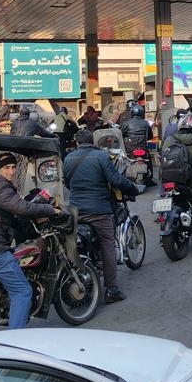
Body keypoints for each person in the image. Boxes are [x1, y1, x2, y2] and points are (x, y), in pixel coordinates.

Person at [0, 152, 62, 329]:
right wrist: (49, 210)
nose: (12, 171)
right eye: (7, 167)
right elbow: (20, 207)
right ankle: (15, 339)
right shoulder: (0, 187)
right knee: (22, 291)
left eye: (14, 167)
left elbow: (9, 212)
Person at [64, 129, 140, 304]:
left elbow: (67, 182)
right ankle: (112, 289)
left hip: (75, 211)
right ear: (93, 141)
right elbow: (115, 180)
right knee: (108, 244)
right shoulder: (101, 156)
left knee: (73, 243)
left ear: (77, 143)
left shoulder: (68, 159)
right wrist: (132, 188)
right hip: (99, 210)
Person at [120, 100, 155, 185]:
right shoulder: (146, 123)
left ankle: (123, 176)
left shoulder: (126, 123)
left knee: (122, 160)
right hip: (142, 147)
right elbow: (150, 136)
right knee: (149, 160)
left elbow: (121, 135)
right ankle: (150, 179)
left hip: (129, 148)